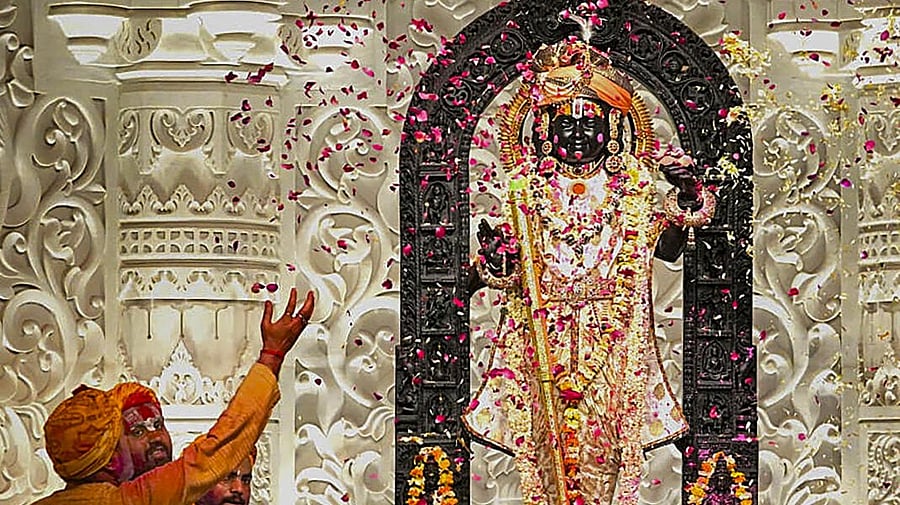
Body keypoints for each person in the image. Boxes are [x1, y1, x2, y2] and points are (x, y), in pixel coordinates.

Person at [462, 31, 715, 505]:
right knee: (542, 448)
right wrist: (496, 261)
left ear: (612, 126)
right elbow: (504, 268)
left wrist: (685, 194)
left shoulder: (632, 188)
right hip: (542, 334)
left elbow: (667, 249)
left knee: (608, 446)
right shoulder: (526, 189)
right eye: (565, 123)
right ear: (544, 129)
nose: (577, 134)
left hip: (612, 335)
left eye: (589, 122)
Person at [37, 287, 314, 505]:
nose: (156, 438)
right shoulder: (132, 500)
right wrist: (272, 356)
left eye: (158, 425)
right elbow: (214, 453)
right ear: (108, 458)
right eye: (134, 432)